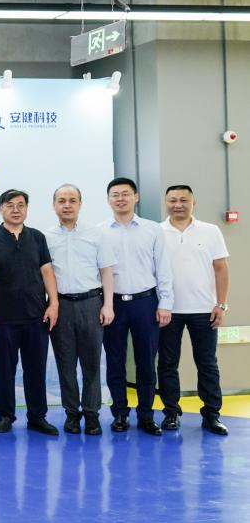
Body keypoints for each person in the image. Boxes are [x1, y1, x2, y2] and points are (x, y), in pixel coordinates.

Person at [100, 177, 173, 435]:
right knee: (115, 361)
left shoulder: (153, 229)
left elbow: (163, 267)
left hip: (146, 303)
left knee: (146, 362)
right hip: (113, 304)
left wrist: (165, 303)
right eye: (115, 194)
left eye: (125, 194)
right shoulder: (100, 232)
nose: (120, 199)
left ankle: (146, 415)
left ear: (136, 197)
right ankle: (120, 413)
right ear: (108, 199)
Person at [0, 190, 59, 436]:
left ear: (27, 209)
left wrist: (54, 303)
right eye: (10, 205)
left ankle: (37, 417)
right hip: (3, 317)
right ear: (0, 209)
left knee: (36, 369)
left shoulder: (37, 237)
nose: (16, 210)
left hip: (36, 316)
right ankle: (5, 416)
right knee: (5, 370)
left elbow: (47, 272)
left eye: (21, 205)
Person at [158, 185, 230, 435]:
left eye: (183, 200)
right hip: (168, 310)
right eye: (172, 200)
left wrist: (221, 304)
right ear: (166, 203)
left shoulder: (211, 231)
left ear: (193, 202)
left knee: (207, 363)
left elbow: (221, 268)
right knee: (167, 363)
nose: (178, 204)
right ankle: (171, 413)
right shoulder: (157, 232)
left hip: (204, 309)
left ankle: (212, 414)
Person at [47, 184, 116, 435]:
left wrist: (108, 305)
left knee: (92, 364)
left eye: (72, 200)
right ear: (54, 205)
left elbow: (106, 271)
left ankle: (92, 414)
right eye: (62, 200)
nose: (67, 205)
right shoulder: (46, 237)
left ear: (80, 204)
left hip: (91, 304)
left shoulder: (96, 234)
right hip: (61, 306)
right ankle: (72, 414)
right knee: (65, 365)